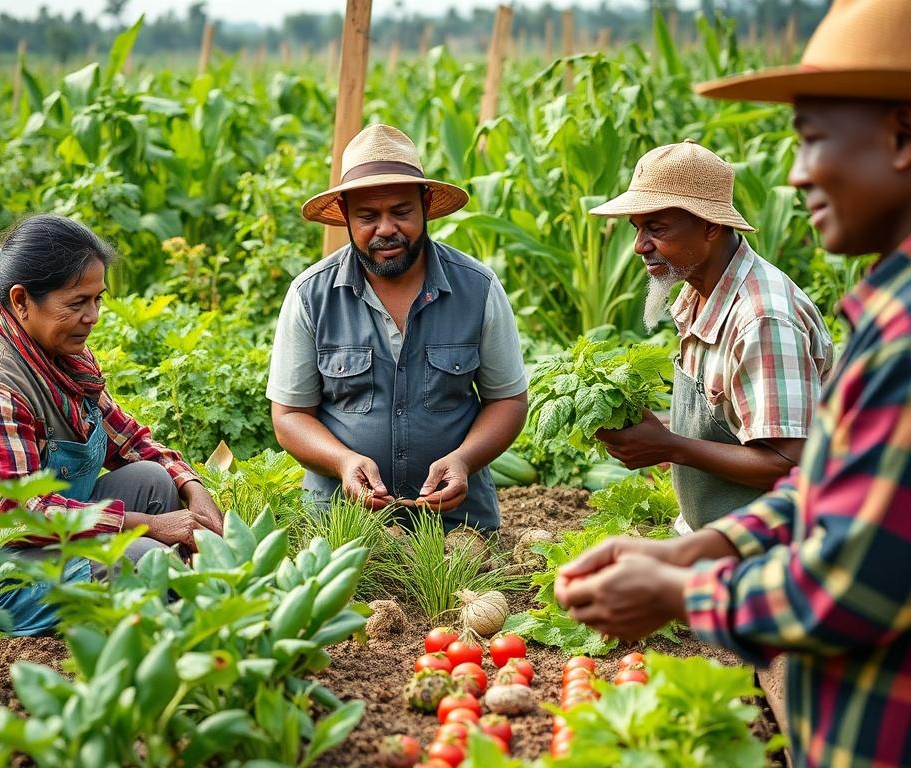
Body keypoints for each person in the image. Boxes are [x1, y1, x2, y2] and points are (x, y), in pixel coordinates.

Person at [554, 0, 911, 765]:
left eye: (812, 138)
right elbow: (824, 486)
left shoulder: (777, 318)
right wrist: (696, 549)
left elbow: (850, 578)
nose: (797, 171)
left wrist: (685, 591)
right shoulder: (886, 303)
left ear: (902, 137)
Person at [0, 214, 224, 636]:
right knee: (139, 559)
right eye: (77, 303)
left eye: (98, 299)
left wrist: (194, 489)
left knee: (155, 480)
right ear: (22, 300)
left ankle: (176, 595)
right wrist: (152, 526)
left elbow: (129, 440)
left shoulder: (61, 356)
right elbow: (14, 516)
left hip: (48, 539)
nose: (93, 315)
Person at [266, 123, 528, 531]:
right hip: (341, 526)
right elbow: (290, 415)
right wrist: (343, 461)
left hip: (458, 526)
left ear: (424, 204)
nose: (386, 229)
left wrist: (464, 459)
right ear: (344, 216)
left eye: (401, 212)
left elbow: (507, 401)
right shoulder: (309, 295)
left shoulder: (477, 288)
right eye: (368, 216)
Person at [588, 140, 833, 532]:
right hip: (714, 536)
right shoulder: (698, 290)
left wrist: (671, 446)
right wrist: (655, 432)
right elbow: (731, 421)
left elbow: (791, 464)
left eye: (657, 227)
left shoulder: (762, 318)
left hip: (774, 552)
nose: (639, 246)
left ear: (711, 226)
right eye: (637, 228)